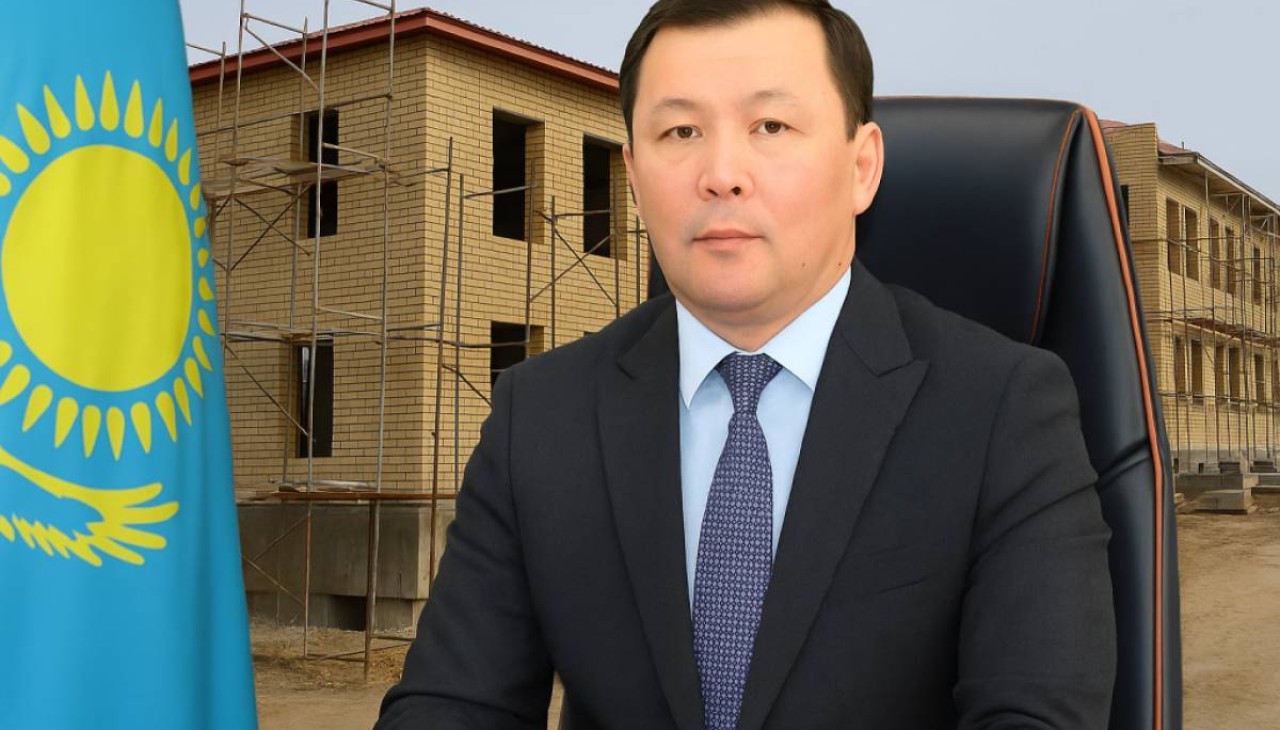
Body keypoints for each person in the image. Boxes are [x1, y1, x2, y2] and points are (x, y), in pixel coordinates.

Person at [378, 1, 1117, 728]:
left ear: (862, 167)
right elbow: (451, 704)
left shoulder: (1003, 408)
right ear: (633, 176)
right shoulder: (540, 415)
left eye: (771, 126)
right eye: (681, 131)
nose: (722, 174)